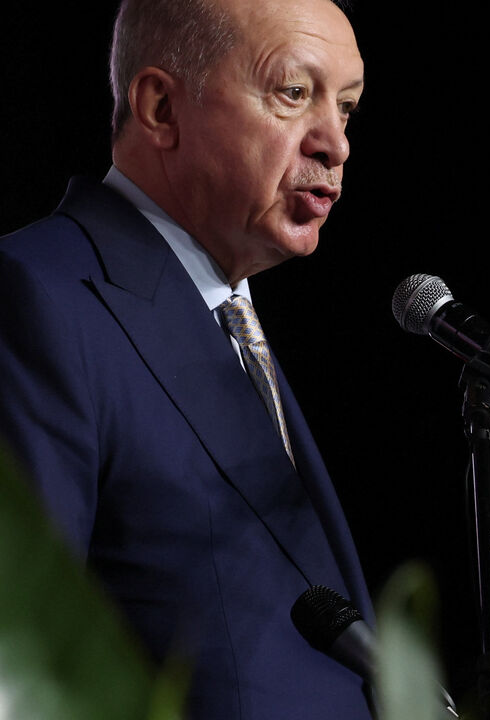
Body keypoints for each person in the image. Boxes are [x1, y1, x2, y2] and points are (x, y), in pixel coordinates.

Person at [0, 0, 375, 717]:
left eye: (348, 108)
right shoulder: (37, 296)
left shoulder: (228, 317)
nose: (336, 143)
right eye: (294, 93)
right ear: (161, 107)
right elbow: (25, 662)